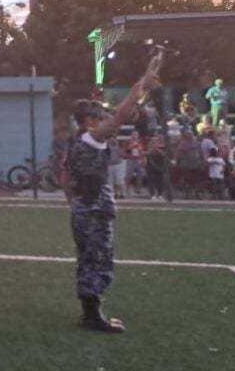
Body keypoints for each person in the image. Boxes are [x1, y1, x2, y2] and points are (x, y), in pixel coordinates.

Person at [62, 57, 158, 333]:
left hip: (83, 207)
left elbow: (65, 176)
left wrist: (75, 202)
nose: (105, 119)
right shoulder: (91, 138)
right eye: (99, 116)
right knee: (98, 259)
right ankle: (92, 316)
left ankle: (91, 312)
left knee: (89, 258)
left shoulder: (75, 142)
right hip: (93, 209)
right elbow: (120, 117)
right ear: (90, 120)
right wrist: (141, 83)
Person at [145, 136, 167, 202]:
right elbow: (148, 154)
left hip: (160, 168)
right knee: (152, 182)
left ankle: (160, 195)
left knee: (160, 182)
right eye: (153, 142)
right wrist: (153, 149)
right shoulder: (149, 148)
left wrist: (158, 149)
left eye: (156, 142)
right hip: (151, 168)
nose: (155, 143)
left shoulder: (162, 148)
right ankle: (152, 195)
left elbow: (164, 155)